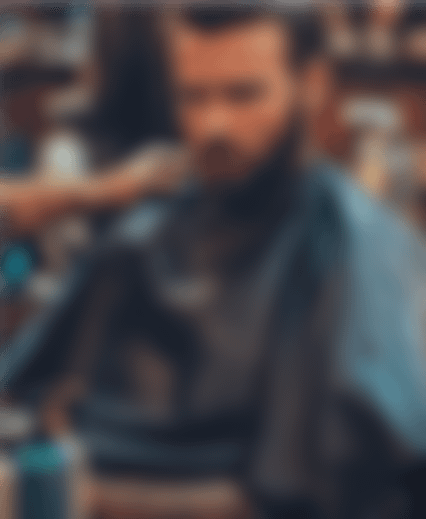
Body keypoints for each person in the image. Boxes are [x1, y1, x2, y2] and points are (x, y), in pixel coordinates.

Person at [1, 1, 426, 518]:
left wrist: (74, 495)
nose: (213, 125)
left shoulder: (352, 249)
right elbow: (24, 396)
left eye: (243, 94)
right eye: (192, 96)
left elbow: (300, 500)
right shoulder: (143, 235)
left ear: (312, 85)